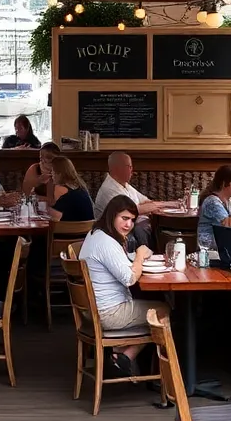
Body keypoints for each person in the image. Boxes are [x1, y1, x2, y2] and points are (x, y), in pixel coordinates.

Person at [78, 195, 169, 375]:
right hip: (109, 313)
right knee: (163, 310)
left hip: (92, 309)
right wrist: (141, 255)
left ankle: (120, 354)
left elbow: (120, 263)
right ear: (112, 215)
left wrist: (136, 257)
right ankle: (134, 360)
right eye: (124, 218)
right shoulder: (106, 242)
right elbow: (129, 279)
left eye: (132, 220)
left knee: (152, 307)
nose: (128, 225)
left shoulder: (95, 234)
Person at [93, 151, 163, 219]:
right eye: (128, 166)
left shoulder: (124, 185)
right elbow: (126, 212)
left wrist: (171, 204)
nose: (131, 171)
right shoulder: (108, 189)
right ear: (115, 169)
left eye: (131, 167)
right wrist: (146, 208)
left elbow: (146, 201)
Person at [196, 166, 231, 249]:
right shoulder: (212, 202)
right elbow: (228, 225)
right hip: (208, 248)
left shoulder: (228, 201)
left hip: (221, 245)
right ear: (224, 184)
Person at [47, 156, 94, 222]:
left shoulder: (65, 193)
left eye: (52, 171)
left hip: (70, 231)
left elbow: (53, 218)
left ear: (59, 174)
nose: (51, 174)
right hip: (86, 230)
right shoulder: (82, 189)